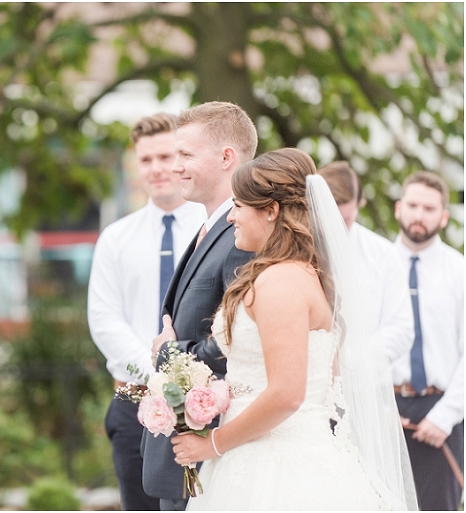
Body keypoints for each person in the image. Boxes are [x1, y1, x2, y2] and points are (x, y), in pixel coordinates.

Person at [170, 148, 417, 510]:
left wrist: (213, 443)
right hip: (265, 450)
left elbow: (287, 394)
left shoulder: (281, 282)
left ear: (271, 211)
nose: (231, 218)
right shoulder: (299, 273)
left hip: (275, 465)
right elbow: (322, 373)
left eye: (239, 206)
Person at [141, 101, 257, 510]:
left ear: (227, 158)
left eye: (185, 155)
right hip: (181, 450)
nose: (175, 167)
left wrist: (168, 352)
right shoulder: (210, 225)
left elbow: (236, 341)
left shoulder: (242, 238)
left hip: (208, 451)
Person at [88, 113, 206, 510]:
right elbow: (104, 320)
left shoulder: (214, 230)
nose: (156, 169)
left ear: (183, 159)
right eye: (145, 160)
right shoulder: (116, 238)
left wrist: (183, 382)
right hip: (132, 400)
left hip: (203, 403)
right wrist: (158, 374)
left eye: (165, 156)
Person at [391, 171, 464, 510]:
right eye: (413, 205)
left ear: (444, 216)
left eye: (430, 208)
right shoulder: (376, 267)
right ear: (398, 209)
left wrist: (446, 415)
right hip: (385, 407)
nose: (419, 215)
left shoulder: (459, 271)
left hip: (441, 410)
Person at [317, 161, 413, 363]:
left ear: (359, 206)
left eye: (346, 218)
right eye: (331, 217)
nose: (338, 226)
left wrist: (348, 360)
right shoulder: (297, 248)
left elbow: (400, 329)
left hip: (363, 381)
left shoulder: (383, 253)